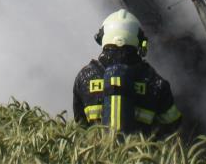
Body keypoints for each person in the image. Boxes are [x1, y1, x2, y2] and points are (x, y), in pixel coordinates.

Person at [72, 8, 181, 136]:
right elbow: (173, 125)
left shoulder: (84, 77)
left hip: (95, 148)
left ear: (102, 38)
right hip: (141, 149)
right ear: (139, 42)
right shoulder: (154, 81)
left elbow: (80, 126)